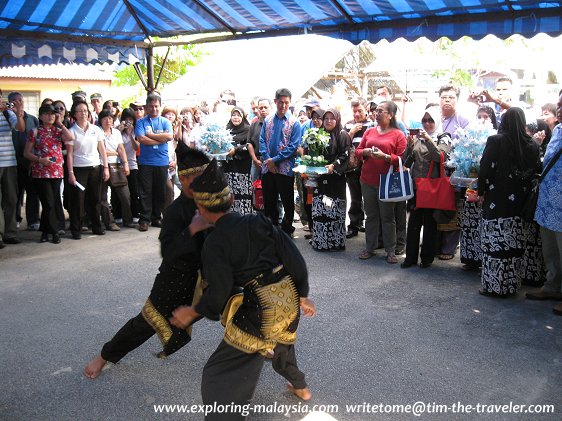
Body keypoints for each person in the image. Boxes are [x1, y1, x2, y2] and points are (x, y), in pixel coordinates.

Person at [170, 159, 316, 420]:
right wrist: (303, 295)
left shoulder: (215, 243)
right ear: (231, 200)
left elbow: (217, 295)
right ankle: (301, 388)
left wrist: (192, 312)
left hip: (261, 312)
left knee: (218, 374)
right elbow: (295, 258)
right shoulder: (257, 221)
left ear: (201, 208)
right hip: (289, 300)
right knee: (280, 343)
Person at [84, 146, 211, 379]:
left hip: (206, 273)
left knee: (232, 299)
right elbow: (168, 251)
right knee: (146, 323)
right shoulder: (174, 211)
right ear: (183, 179)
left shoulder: (209, 201)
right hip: (175, 278)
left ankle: (257, 341)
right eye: (199, 178)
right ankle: (104, 355)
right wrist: (193, 228)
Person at [477, 108, 541, 297]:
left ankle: (494, 286)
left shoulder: (496, 141)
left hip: (497, 201)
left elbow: (485, 168)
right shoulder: (532, 145)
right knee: (514, 245)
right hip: (520, 204)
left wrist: (481, 191)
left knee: (495, 244)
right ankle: (512, 285)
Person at [355, 101, 407, 263]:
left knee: (387, 217)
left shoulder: (398, 134)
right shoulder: (369, 131)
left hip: (387, 181)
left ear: (390, 115)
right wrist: (366, 152)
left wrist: (385, 157)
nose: (376, 113)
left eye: (381, 111)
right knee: (371, 216)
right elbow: (357, 151)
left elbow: (402, 159)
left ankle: (390, 250)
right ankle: (369, 247)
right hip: (367, 179)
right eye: (376, 111)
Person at [401, 106, 450, 269]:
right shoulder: (417, 138)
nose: (427, 123)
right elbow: (408, 161)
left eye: (431, 120)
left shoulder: (444, 137)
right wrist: (408, 145)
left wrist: (428, 139)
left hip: (431, 187)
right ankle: (410, 258)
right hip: (416, 187)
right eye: (424, 120)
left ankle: (427, 258)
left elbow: (440, 157)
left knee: (430, 223)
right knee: (413, 222)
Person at [526, 93, 562, 314]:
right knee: (551, 250)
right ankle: (552, 286)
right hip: (549, 202)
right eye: (559, 104)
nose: (559, 108)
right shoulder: (557, 130)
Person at [23, 104, 73, 243]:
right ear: (40, 116)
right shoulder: (35, 131)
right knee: (48, 202)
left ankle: (45, 232)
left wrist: (59, 122)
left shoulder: (58, 131)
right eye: (47, 113)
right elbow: (26, 153)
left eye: (52, 113)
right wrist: (40, 160)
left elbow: (70, 137)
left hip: (56, 172)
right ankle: (54, 232)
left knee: (50, 202)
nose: (50, 116)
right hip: (41, 172)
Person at [259, 88, 301, 236]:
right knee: (269, 200)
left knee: (287, 201)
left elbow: (293, 147)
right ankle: (272, 228)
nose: (283, 105)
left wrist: (274, 161)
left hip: (284, 169)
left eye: (286, 102)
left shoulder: (294, 123)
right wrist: (268, 161)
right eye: (281, 102)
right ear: (275, 101)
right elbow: (262, 141)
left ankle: (286, 229)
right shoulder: (268, 120)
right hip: (268, 169)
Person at [66, 100, 109, 239]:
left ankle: (97, 226)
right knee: (78, 200)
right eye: (80, 111)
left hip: (95, 167)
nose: (83, 113)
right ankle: (76, 229)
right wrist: (71, 173)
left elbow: (102, 150)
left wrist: (106, 167)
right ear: (74, 114)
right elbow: (70, 154)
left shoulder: (96, 129)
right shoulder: (72, 132)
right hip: (79, 169)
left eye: (85, 110)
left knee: (95, 198)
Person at [437, 85, 470, 261]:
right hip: (435, 171)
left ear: (457, 99)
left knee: (452, 208)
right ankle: (435, 244)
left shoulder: (463, 122)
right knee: (436, 207)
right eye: (444, 97)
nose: (447, 100)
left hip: (455, 171)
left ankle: (449, 247)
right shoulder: (433, 119)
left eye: (451, 97)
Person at [310, 108, 350, 251]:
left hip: (335, 180)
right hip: (320, 179)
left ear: (337, 119)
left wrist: (333, 165)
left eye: (331, 118)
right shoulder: (318, 134)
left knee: (334, 209)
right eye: (325, 118)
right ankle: (320, 240)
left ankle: (335, 242)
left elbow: (345, 154)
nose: (328, 121)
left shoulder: (342, 134)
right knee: (320, 209)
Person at [134, 93, 173, 231]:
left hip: (161, 162)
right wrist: (159, 138)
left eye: (156, 106)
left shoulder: (165, 121)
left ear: (160, 106)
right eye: (151, 106)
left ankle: (156, 217)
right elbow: (141, 139)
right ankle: (144, 219)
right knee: (145, 192)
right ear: (146, 107)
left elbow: (169, 136)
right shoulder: (140, 122)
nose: (154, 109)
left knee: (160, 191)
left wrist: (150, 135)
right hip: (145, 162)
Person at [9, 92, 40, 231]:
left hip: (30, 161)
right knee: (14, 193)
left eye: (20, 100)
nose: (17, 103)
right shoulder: (6, 117)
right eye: (14, 100)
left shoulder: (33, 119)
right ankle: (15, 219)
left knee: (33, 192)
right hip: (12, 161)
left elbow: (38, 140)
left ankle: (33, 220)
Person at [98, 109, 133, 230]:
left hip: (117, 166)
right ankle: (110, 222)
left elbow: (121, 149)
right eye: (105, 118)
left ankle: (127, 220)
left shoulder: (117, 133)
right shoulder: (98, 132)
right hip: (101, 166)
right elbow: (100, 150)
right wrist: (114, 152)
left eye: (110, 118)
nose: (108, 121)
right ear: (100, 120)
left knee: (125, 195)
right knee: (103, 197)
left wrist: (126, 163)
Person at [0, 92, 26, 248]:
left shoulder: (7, 112)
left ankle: (10, 233)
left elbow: (20, 128)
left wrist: (18, 113)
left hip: (9, 162)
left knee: (11, 198)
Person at [344, 97, 370, 238]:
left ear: (366, 109)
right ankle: (353, 225)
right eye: (354, 111)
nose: (357, 114)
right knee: (355, 198)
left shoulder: (372, 124)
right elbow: (342, 144)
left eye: (359, 111)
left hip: (367, 167)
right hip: (352, 167)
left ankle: (365, 223)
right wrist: (352, 132)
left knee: (368, 198)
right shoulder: (348, 125)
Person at [113, 108, 140, 224]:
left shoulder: (136, 131)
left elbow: (136, 148)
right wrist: (118, 131)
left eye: (131, 119)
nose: (128, 122)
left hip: (132, 164)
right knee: (117, 191)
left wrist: (130, 135)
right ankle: (117, 215)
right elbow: (114, 147)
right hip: (118, 164)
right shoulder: (116, 131)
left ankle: (134, 214)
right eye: (126, 119)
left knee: (133, 191)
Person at [223, 106, 252, 214]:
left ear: (243, 117)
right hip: (229, 166)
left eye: (238, 115)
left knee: (243, 192)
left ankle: (244, 214)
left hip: (243, 167)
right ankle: (231, 215)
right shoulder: (226, 129)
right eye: (233, 115)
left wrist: (236, 149)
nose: (236, 118)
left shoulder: (248, 129)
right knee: (230, 192)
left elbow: (250, 145)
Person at [246, 98, 270, 183]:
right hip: (256, 161)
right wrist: (255, 160)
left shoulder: (275, 124)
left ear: (270, 107)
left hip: (271, 162)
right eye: (261, 108)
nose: (263, 110)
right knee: (255, 187)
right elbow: (249, 143)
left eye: (265, 107)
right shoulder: (254, 125)